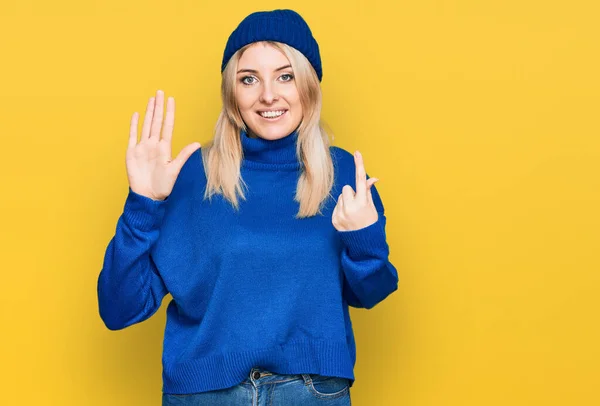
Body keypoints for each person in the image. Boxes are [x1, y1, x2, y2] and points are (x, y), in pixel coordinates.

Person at [97, 8, 399, 406]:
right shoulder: (188, 177)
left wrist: (363, 240)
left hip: (311, 394)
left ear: (308, 85)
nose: (268, 95)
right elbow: (120, 309)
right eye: (249, 79)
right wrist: (143, 205)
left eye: (285, 75)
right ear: (231, 92)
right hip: (204, 395)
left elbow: (371, 293)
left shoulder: (344, 175)